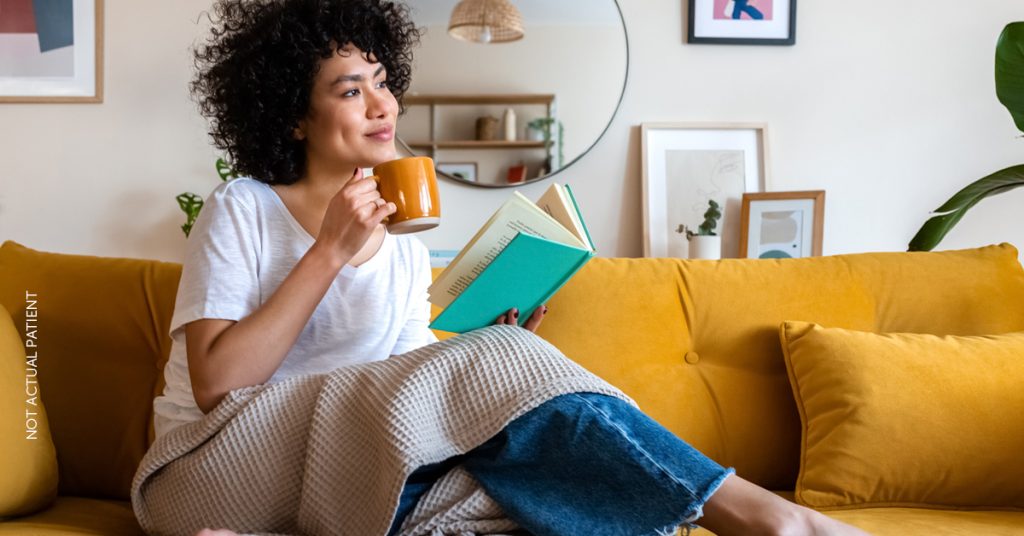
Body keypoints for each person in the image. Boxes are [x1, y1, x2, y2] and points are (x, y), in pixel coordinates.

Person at [150, 1, 869, 535]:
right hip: (209, 473)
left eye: (380, 81)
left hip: (334, 478)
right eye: (348, 90)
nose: (381, 105)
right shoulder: (242, 208)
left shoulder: (400, 242)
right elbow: (217, 385)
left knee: (521, 485)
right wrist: (329, 252)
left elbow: (402, 398)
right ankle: (765, 517)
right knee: (511, 398)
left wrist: (488, 345)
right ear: (293, 117)